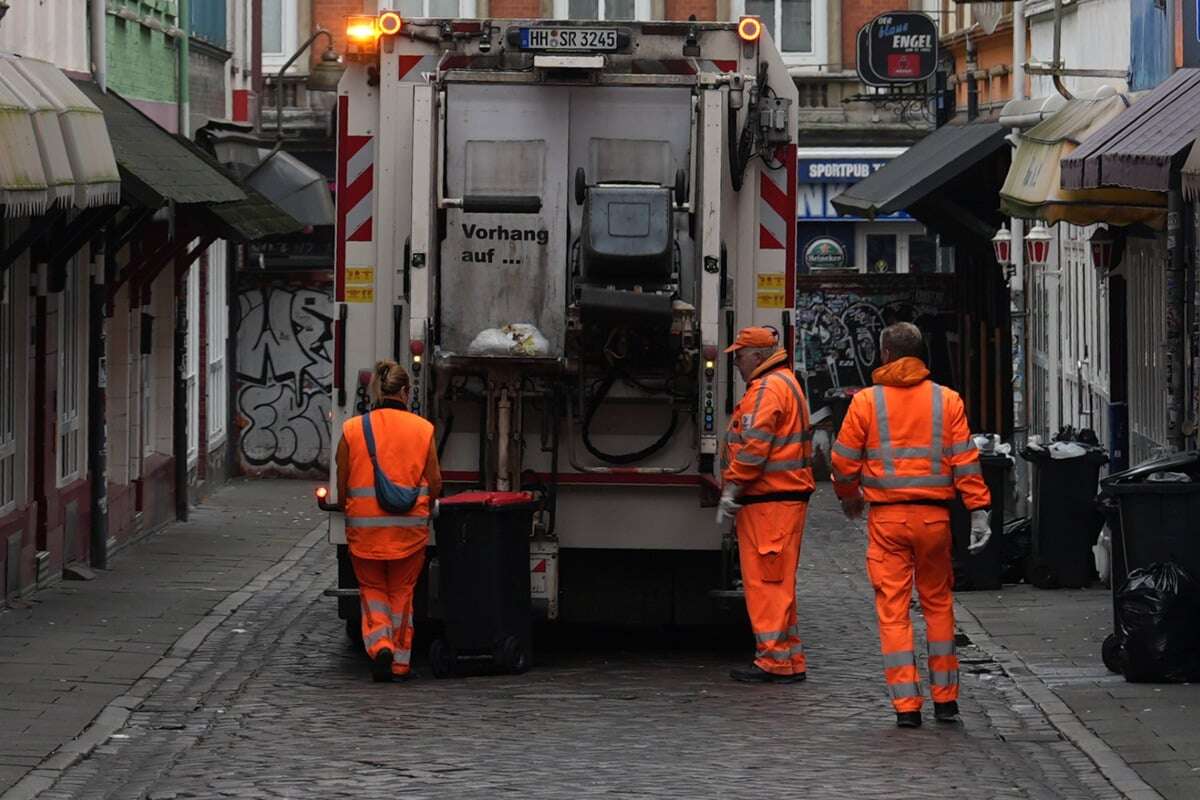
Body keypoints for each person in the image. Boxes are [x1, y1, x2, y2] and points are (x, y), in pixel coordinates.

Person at [830, 322, 991, 728]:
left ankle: (906, 706)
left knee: (893, 610)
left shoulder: (866, 402)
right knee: (938, 605)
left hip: (887, 520)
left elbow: (843, 461)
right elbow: (966, 462)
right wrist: (978, 511)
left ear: (884, 354)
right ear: (920, 355)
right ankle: (946, 700)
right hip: (934, 519)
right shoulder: (947, 400)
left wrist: (849, 495)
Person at [717, 326, 814, 683]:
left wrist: (733, 487)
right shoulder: (783, 383)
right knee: (778, 582)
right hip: (780, 500)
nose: (737, 363)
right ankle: (788, 660)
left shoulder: (768, 388)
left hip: (769, 502)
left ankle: (773, 660)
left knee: (766, 584)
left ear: (757, 356)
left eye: (739, 356)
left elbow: (755, 445)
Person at [336, 360, 442, 682]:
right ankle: (400, 662)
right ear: (406, 392)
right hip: (408, 533)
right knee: (402, 593)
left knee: (372, 590)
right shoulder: (423, 430)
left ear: (376, 391)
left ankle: (380, 643)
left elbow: (343, 483)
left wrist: (350, 508)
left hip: (365, 533)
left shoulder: (352, 430)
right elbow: (435, 482)